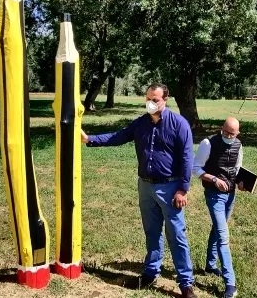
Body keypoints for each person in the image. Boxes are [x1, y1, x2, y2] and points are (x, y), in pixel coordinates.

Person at [80, 83, 197, 298]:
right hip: (145, 186)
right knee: (152, 233)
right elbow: (119, 136)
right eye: (148, 99)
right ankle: (151, 273)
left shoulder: (179, 124)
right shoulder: (141, 124)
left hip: (170, 188)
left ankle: (185, 283)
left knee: (176, 235)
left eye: (155, 100)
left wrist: (182, 189)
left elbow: (187, 158)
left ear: (165, 100)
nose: (150, 103)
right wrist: (90, 139)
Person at [193, 117, 243, 298]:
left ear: (238, 133)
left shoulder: (238, 145)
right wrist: (214, 179)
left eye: (232, 133)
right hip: (214, 195)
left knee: (217, 229)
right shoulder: (208, 143)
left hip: (231, 195)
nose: (229, 136)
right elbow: (195, 168)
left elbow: (237, 169)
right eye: (226, 132)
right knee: (223, 236)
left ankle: (210, 265)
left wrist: (241, 182)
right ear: (221, 129)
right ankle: (230, 283)